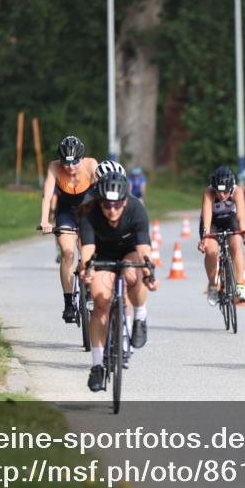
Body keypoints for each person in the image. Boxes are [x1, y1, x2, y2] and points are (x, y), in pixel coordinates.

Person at [78, 172, 157, 392]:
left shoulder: (136, 209)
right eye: (106, 205)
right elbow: (88, 249)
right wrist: (87, 269)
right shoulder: (88, 211)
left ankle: (139, 316)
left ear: (125, 201)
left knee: (135, 274)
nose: (112, 210)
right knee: (101, 302)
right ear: (99, 202)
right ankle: (97, 366)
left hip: (129, 250)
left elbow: (143, 249)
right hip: (101, 254)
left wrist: (149, 271)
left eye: (117, 205)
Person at [39, 136, 99, 323]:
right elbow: (47, 196)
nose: (71, 166)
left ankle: (89, 288)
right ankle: (68, 303)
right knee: (67, 253)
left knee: (87, 253)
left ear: (82, 158)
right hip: (66, 212)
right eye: (66, 162)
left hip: (87, 211)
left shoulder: (91, 165)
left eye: (75, 161)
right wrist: (44, 220)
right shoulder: (54, 167)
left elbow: (102, 191)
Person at [198, 166, 245, 305]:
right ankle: (212, 286)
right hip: (213, 222)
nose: (222, 195)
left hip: (230, 220)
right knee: (211, 251)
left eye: (225, 192)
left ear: (231, 187)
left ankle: (240, 285)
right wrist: (204, 239)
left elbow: (241, 219)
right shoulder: (209, 192)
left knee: (235, 245)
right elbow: (206, 218)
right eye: (219, 191)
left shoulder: (237, 192)